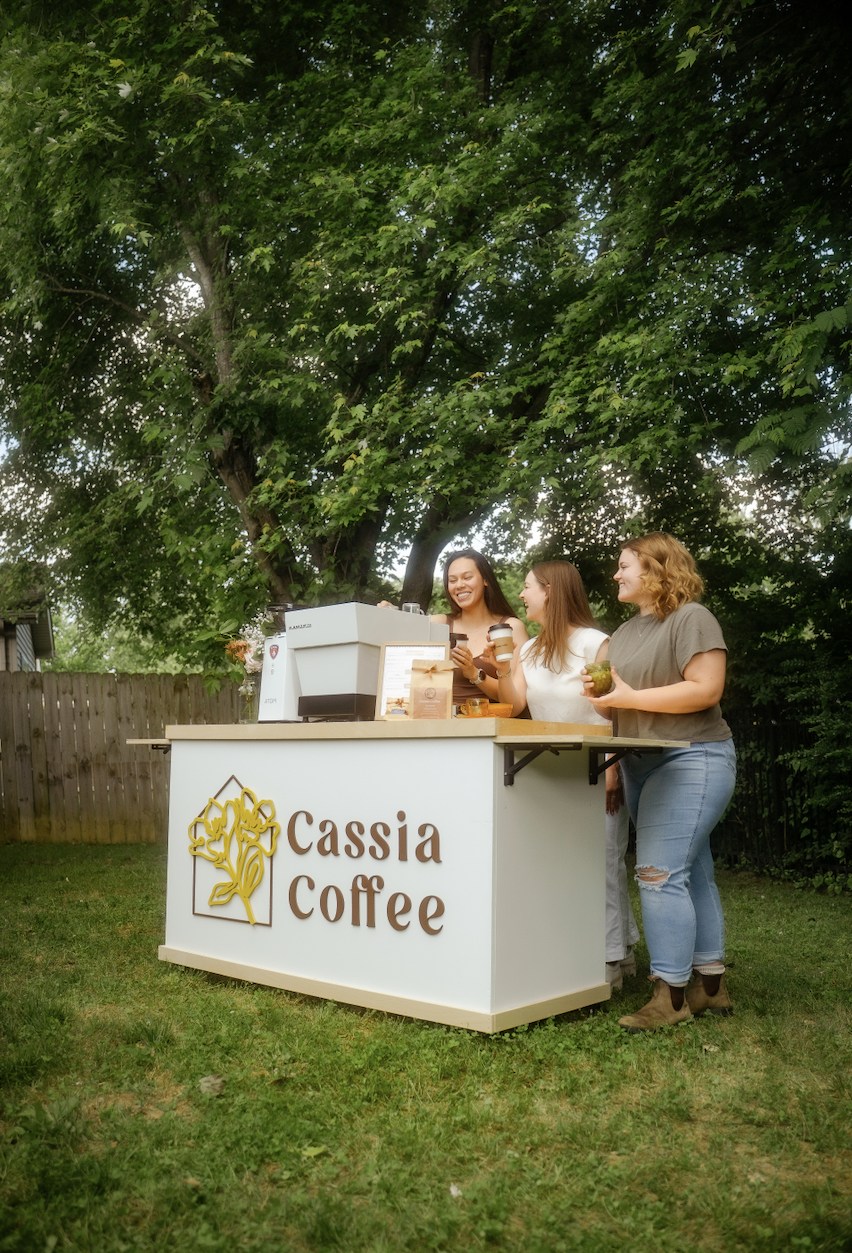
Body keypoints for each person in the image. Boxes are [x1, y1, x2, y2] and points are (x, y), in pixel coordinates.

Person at [583, 533, 737, 1032]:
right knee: (695, 872)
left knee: (657, 873)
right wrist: (602, 699)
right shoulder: (625, 634)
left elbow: (706, 688)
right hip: (640, 761)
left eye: (625, 566)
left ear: (655, 568)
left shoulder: (692, 618)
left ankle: (669, 996)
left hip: (692, 757)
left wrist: (628, 695)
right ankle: (710, 987)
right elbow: (621, 700)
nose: (616, 575)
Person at [484, 560, 640, 988]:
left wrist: (613, 768)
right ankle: (621, 949)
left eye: (529, 587)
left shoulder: (595, 643)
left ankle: (607, 962)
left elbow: (615, 708)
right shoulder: (528, 649)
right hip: (552, 769)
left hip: (599, 766)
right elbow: (515, 705)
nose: (522, 595)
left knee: (604, 861)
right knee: (571, 864)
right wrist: (500, 668)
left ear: (550, 591)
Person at [436, 550, 529, 706]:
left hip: (488, 725)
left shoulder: (510, 628)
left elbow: (515, 702)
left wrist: (473, 673)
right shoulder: (438, 624)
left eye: (467, 577)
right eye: (452, 580)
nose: (459, 585)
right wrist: (389, 611)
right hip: (439, 724)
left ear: (485, 579)